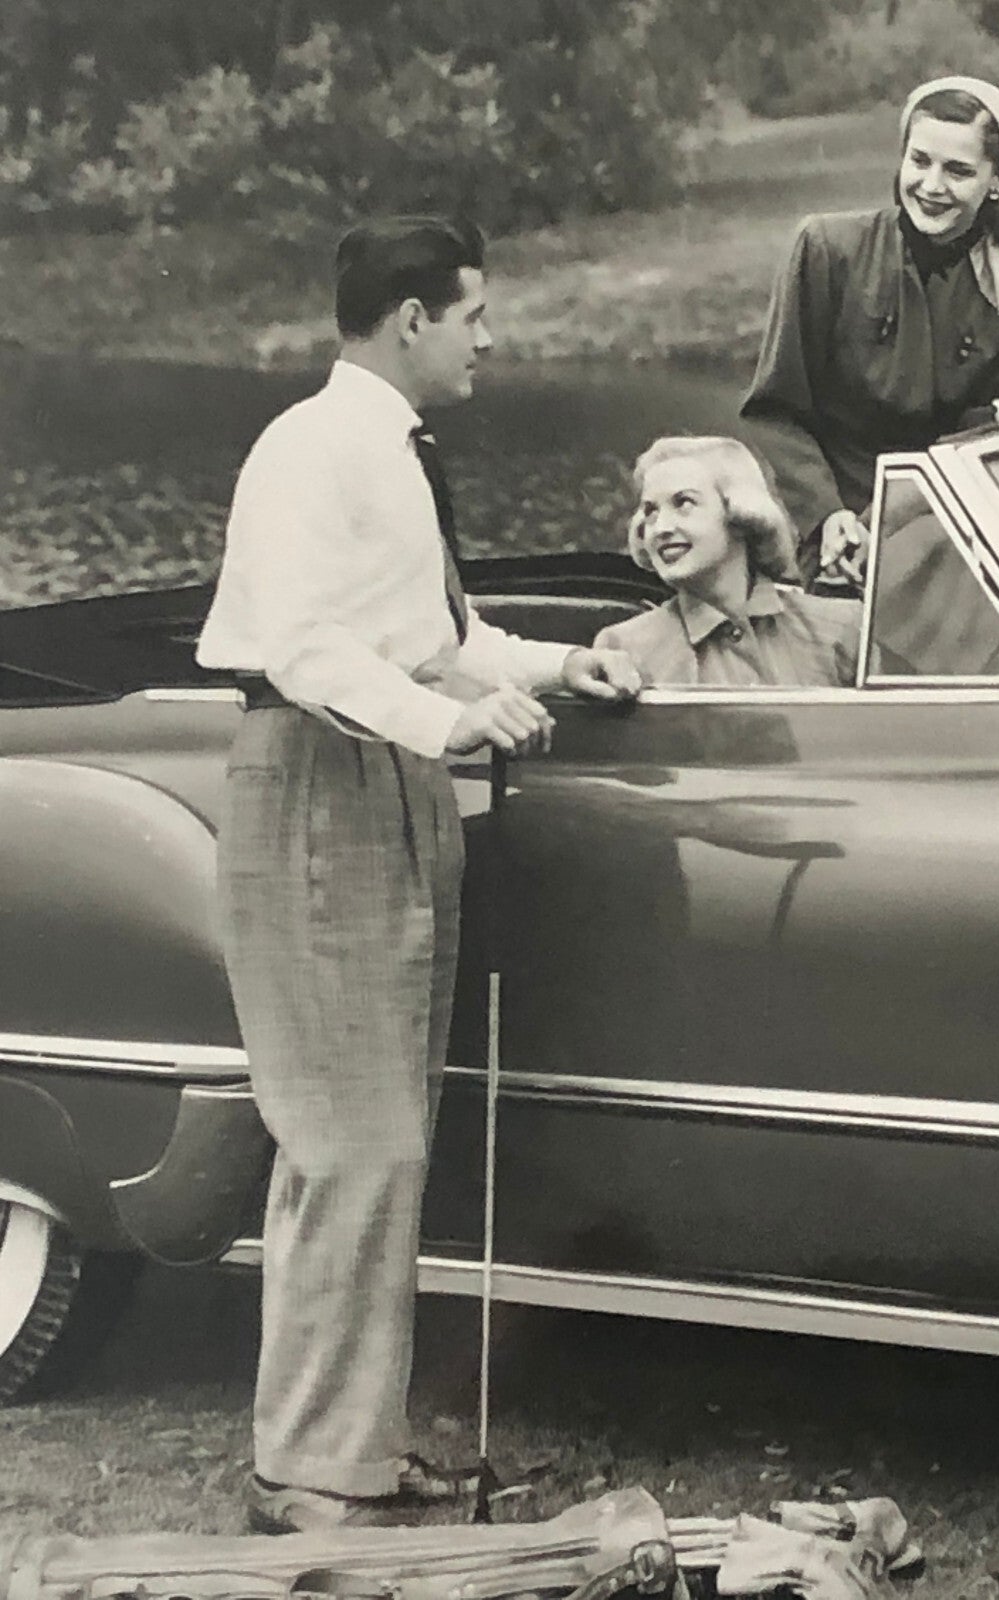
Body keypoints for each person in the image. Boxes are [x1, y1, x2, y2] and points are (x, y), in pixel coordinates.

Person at [195, 214, 641, 1535]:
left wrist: (564, 669)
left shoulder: (390, 453)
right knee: (349, 1141)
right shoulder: (309, 449)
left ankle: (351, 1453)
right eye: (474, 313)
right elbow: (305, 649)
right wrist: (451, 726)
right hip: (324, 778)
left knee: (382, 1138)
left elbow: (439, 641)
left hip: (385, 778)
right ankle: (310, 1475)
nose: (488, 337)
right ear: (409, 319)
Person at [740, 74, 999, 584]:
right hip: (814, 526)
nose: (932, 186)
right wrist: (829, 519)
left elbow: (973, 446)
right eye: (920, 161)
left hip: (938, 527)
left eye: (958, 171)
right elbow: (776, 408)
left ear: (996, 181)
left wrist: (882, 528)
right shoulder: (827, 249)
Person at [593, 435, 861, 688]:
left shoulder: (841, 629)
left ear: (741, 515)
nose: (660, 527)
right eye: (650, 511)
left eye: (684, 503)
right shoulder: (624, 649)